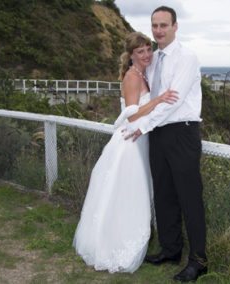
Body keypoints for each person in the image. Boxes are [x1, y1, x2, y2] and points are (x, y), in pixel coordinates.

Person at [73, 32, 178, 273]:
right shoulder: (132, 77)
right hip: (129, 143)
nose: (146, 54)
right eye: (140, 51)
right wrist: (159, 99)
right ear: (131, 55)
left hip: (141, 139)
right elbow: (132, 114)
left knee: (132, 193)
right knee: (128, 193)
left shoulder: (144, 74)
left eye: (148, 49)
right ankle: (116, 244)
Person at [125, 5, 208, 283]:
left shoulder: (186, 57)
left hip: (182, 132)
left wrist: (142, 126)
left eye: (164, 25)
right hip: (158, 134)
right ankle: (171, 250)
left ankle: (198, 260)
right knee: (163, 194)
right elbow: (152, 98)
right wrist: (146, 126)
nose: (158, 30)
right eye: (155, 26)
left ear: (175, 26)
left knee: (189, 198)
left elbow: (173, 102)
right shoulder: (155, 58)